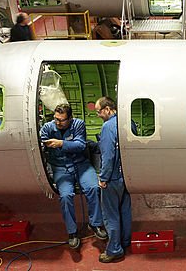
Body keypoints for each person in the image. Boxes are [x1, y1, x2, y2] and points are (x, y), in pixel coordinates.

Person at [39, 104, 108, 249]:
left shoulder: (78, 124)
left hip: (81, 164)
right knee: (65, 196)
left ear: (70, 118)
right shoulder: (48, 127)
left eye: (62, 120)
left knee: (94, 188)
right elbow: (42, 142)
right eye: (56, 119)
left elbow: (81, 145)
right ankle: (72, 232)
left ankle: (95, 224)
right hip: (61, 167)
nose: (58, 123)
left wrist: (61, 143)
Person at [94, 96, 132, 263]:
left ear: (107, 109)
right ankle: (125, 241)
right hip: (127, 177)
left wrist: (103, 177)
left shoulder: (108, 127)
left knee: (111, 214)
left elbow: (108, 156)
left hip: (113, 178)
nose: (98, 115)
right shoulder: (129, 123)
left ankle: (115, 249)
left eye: (98, 112)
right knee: (124, 210)